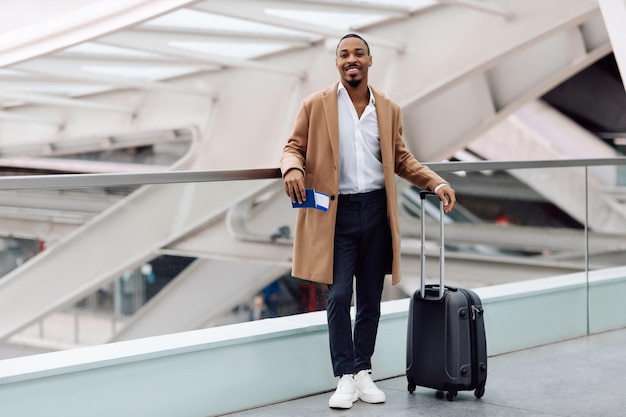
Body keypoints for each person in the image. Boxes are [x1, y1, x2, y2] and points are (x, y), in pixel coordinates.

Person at [280, 33, 456, 409]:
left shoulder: (388, 109)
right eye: (344, 54)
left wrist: (436, 182)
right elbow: (293, 147)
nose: (351, 59)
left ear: (370, 61)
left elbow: (402, 159)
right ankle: (344, 376)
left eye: (358, 53)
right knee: (340, 295)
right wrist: (292, 169)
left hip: (377, 211)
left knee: (372, 300)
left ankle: (363, 371)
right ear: (338, 63)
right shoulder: (316, 104)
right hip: (336, 214)